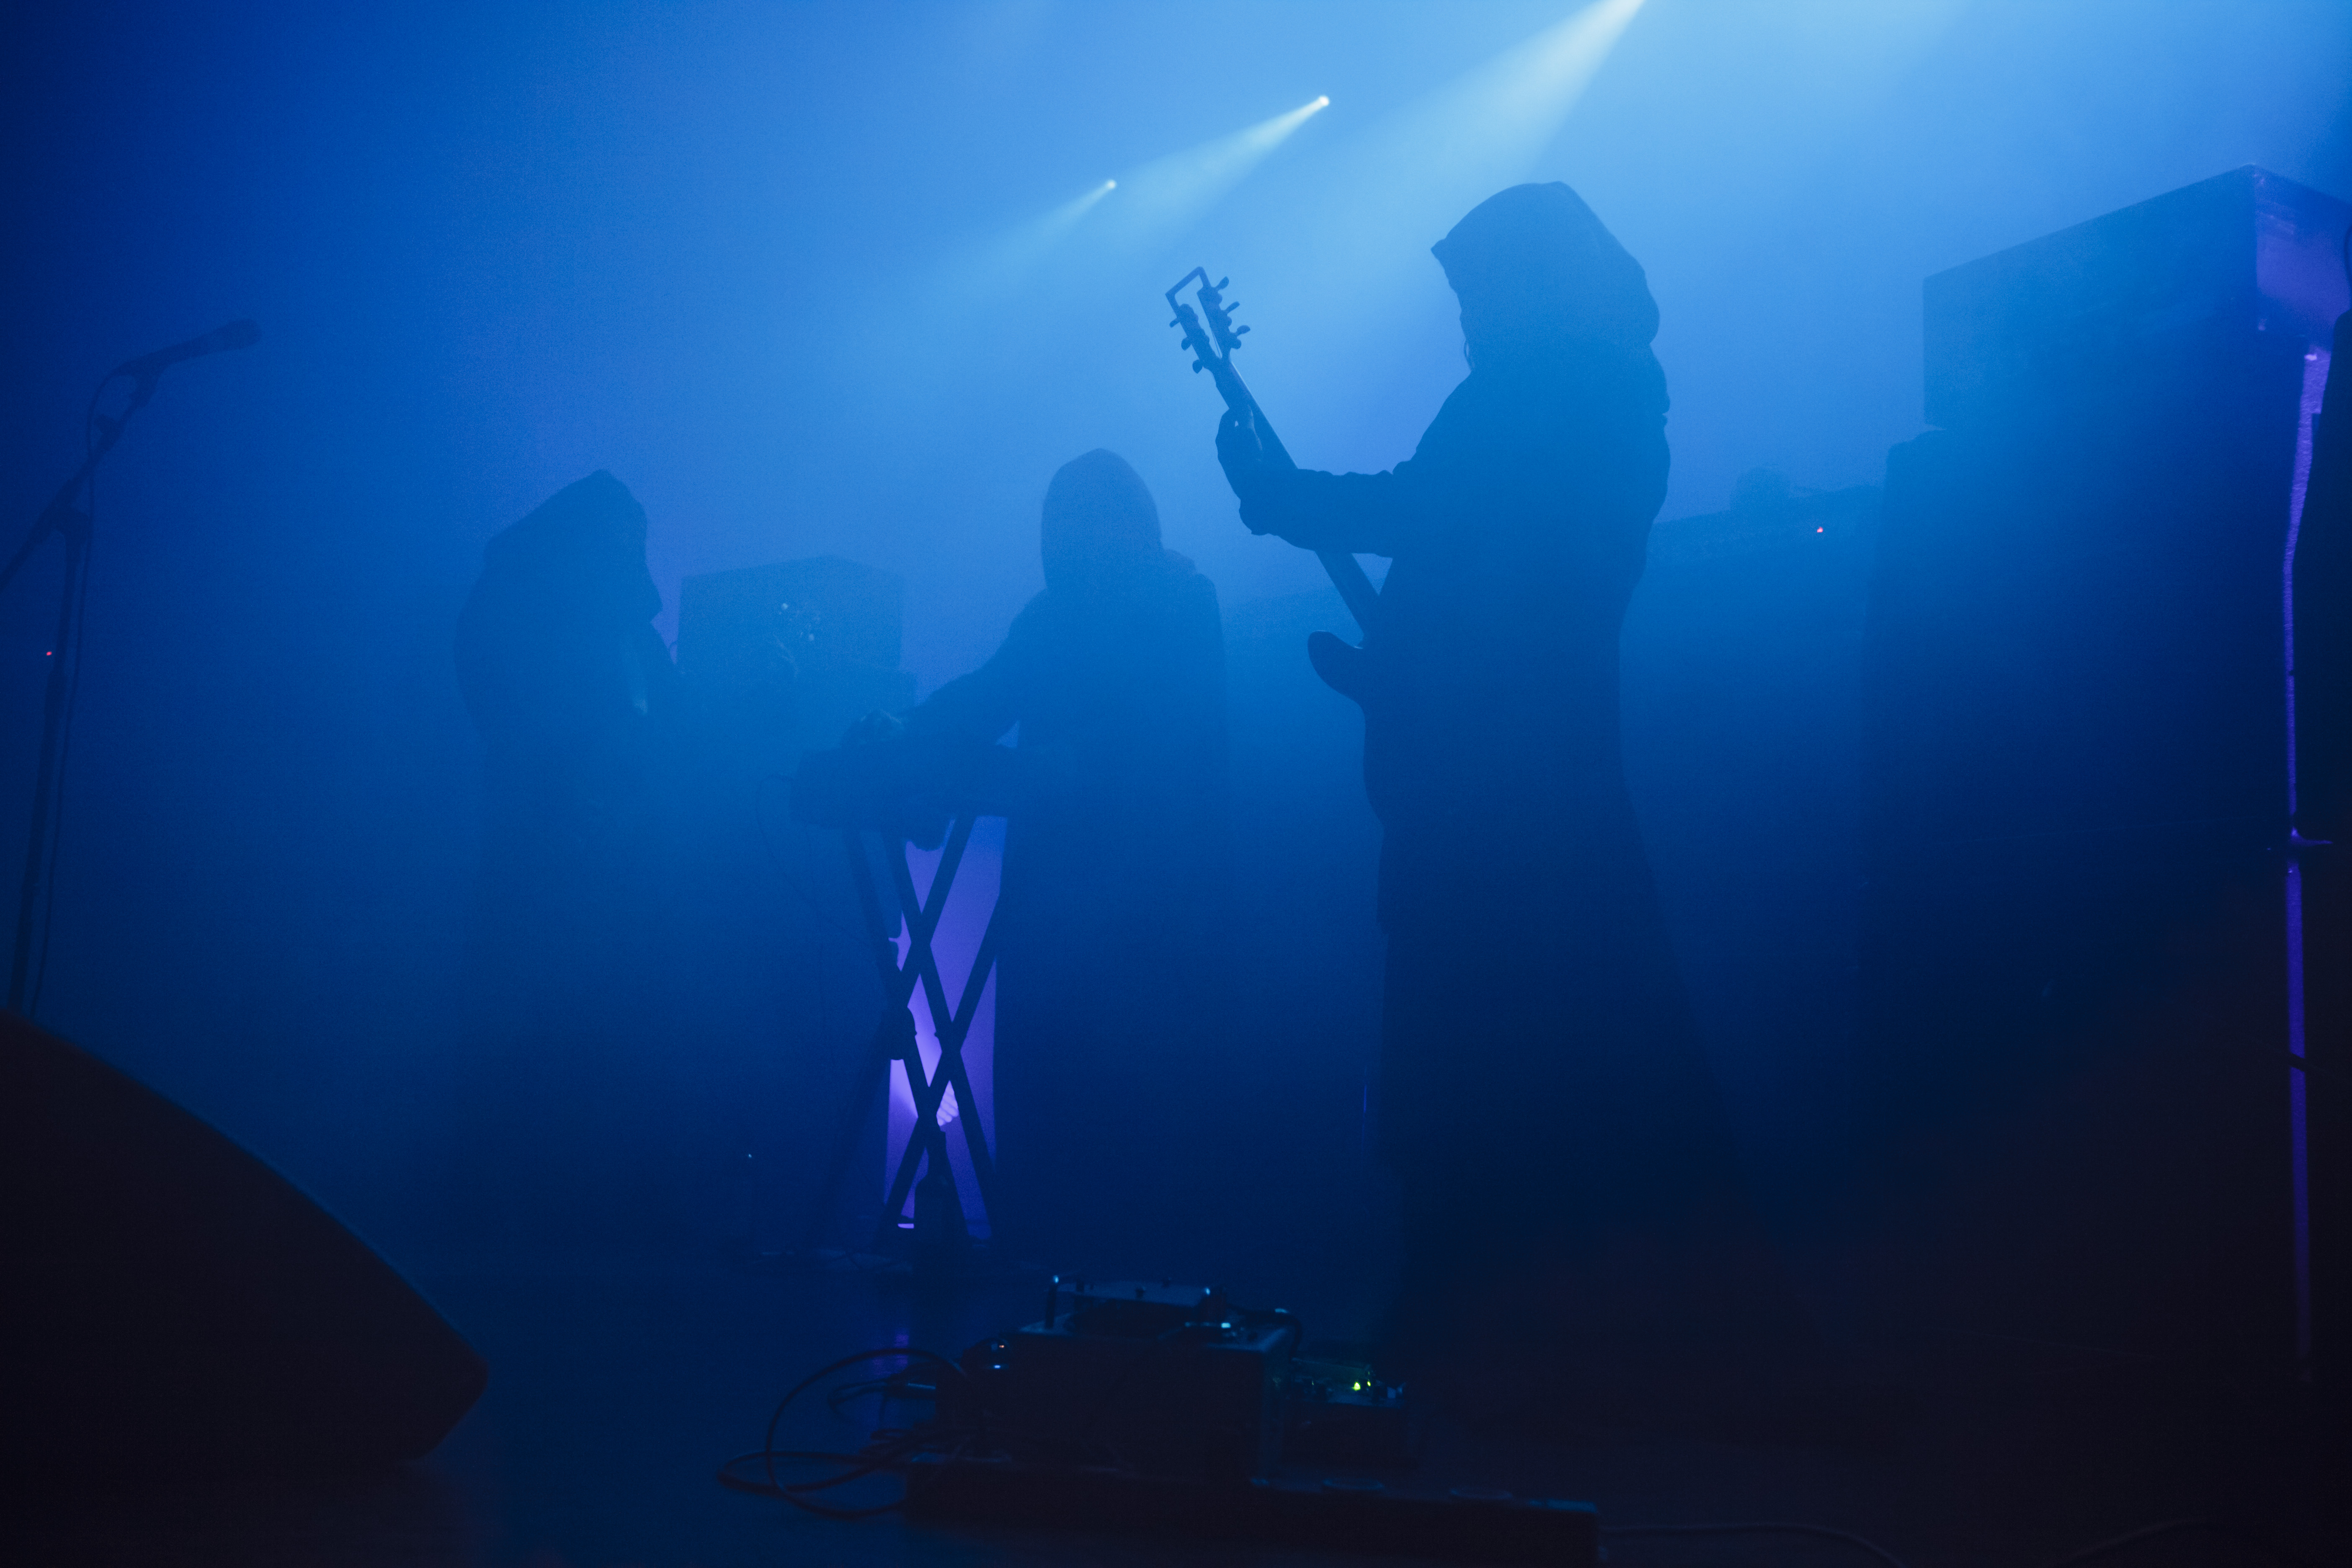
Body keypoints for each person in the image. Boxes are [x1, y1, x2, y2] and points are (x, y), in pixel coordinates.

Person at [1215, 183, 1811, 1420]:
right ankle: (1531, 1323)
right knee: (1549, 1049)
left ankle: (1506, 1323)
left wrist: (1286, 500)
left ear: (1530, 281)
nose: (1467, 319)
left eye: (1477, 292)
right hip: (1514, 782)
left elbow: (1441, 518)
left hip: (1513, 793)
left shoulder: (1563, 390)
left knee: (1494, 1048)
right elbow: (1457, 543)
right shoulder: (1593, 388)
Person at [897, 449, 1229, 1266]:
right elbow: (990, 694)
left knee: (1132, 1109)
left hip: (1152, 905)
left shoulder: (1182, 604)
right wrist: (910, 731)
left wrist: (1029, 764)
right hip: (1055, 906)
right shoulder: (1052, 617)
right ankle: (1041, 1274)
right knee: (1050, 1097)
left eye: (1077, 526)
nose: (1066, 546)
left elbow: (1174, 743)